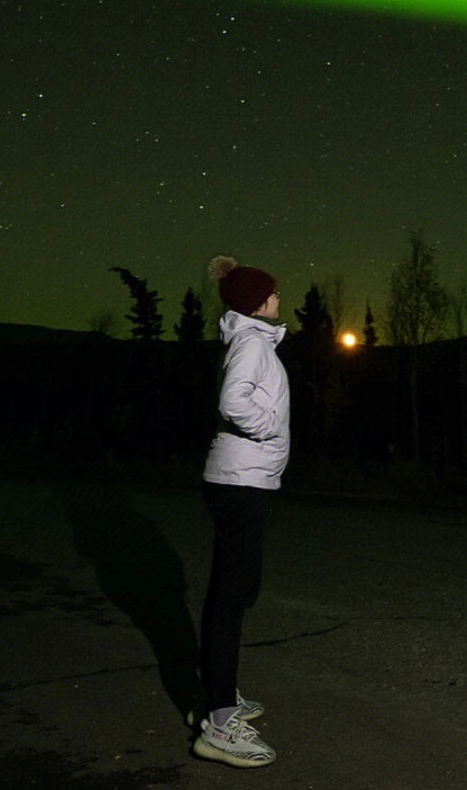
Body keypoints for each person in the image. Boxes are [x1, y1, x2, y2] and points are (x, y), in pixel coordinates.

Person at [193, 255, 289, 769]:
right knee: (232, 595)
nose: (279, 299)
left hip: (242, 479)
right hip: (240, 481)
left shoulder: (252, 339)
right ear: (257, 301)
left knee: (239, 586)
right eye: (272, 293)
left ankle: (218, 693)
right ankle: (219, 721)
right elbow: (234, 403)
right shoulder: (253, 342)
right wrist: (269, 426)